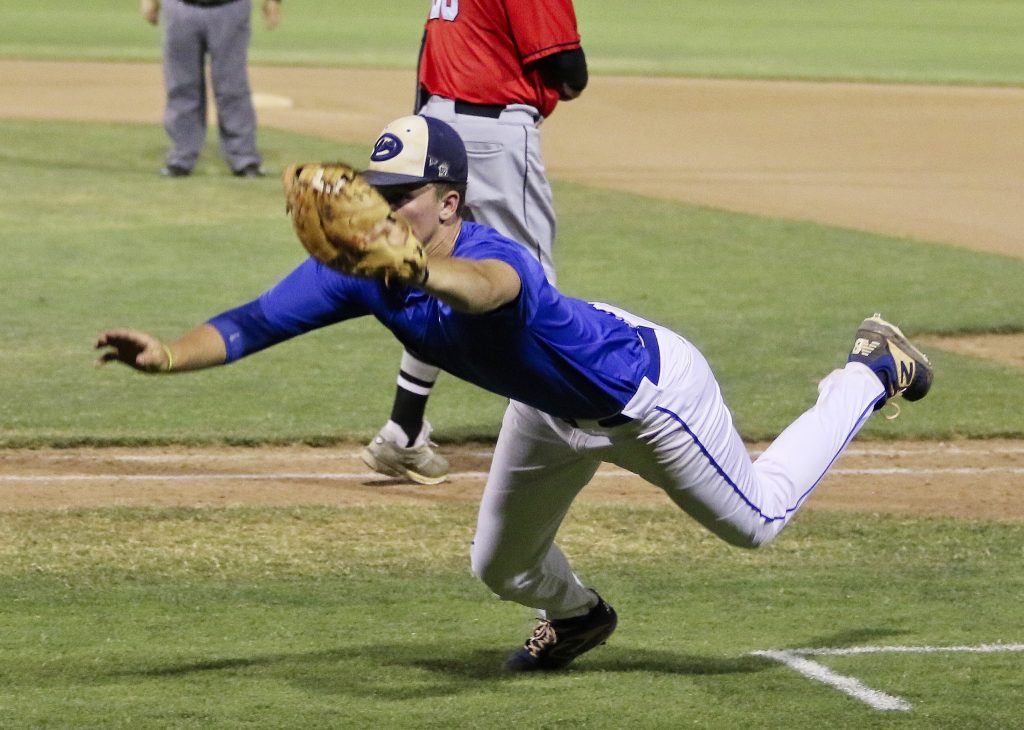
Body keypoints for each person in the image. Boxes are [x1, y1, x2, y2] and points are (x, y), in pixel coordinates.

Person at [96, 116, 934, 672]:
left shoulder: (499, 258)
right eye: (374, 197)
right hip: (546, 409)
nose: (378, 215)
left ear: (449, 201)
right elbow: (251, 324)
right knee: (499, 566)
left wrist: (415, 267)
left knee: (756, 523)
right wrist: (170, 354)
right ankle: (579, 617)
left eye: (402, 199)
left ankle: (868, 368)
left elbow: (484, 289)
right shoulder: (361, 277)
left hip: (645, 394)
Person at [359, 0, 589, 485]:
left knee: (443, 273)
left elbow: (430, 48)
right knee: (529, 280)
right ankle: (546, 436)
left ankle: (403, 428)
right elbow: (570, 71)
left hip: (438, 127)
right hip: (494, 133)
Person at [141, 0, 282, 178]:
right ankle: (181, 158)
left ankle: (244, 158)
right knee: (181, 86)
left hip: (231, 7)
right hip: (179, 7)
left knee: (232, 86)